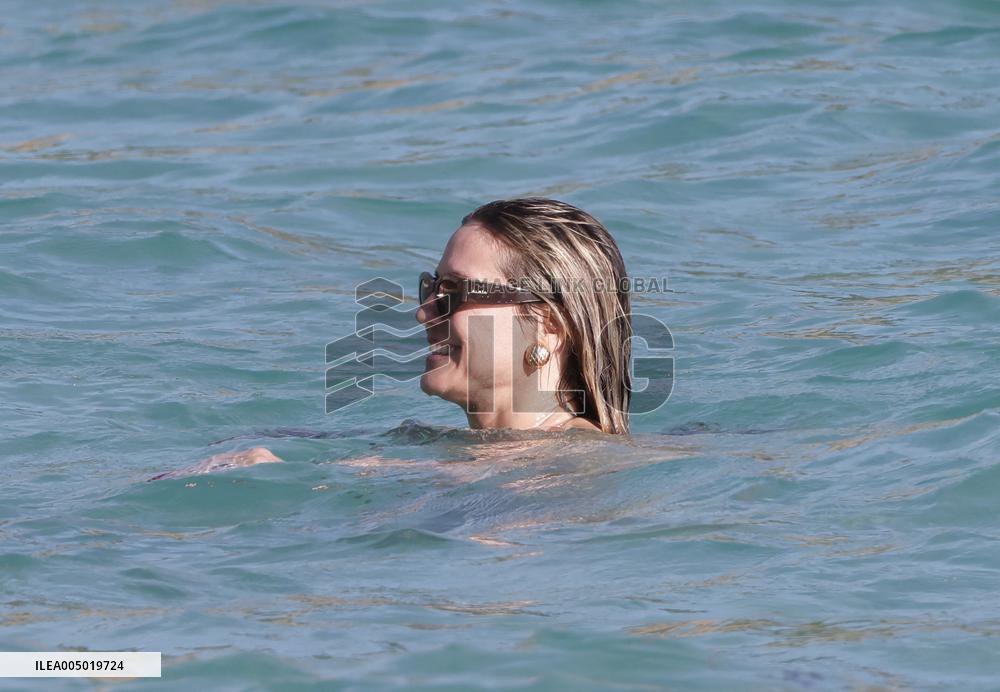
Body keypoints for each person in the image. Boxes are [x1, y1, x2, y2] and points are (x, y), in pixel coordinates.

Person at [151, 198, 632, 480]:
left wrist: (290, 477)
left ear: (549, 323)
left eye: (454, 293)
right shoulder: (438, 444)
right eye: (430, 287)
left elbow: (504, 545)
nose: (423, 311)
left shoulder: (576, 466)